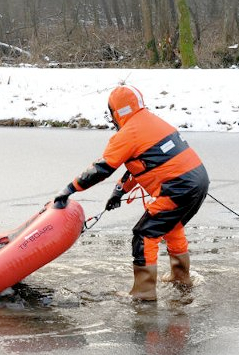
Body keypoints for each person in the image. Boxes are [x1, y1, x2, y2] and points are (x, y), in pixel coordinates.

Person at [53, 85, 209, 301]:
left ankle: (143, 293)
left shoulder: (128, 133)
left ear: (116, 113)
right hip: (198, 181)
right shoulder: (151, 121)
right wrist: (120, 191)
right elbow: (142, 164)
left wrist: (70, 189)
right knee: (171, 226)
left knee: (144, 233)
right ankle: (180, 277)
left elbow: (101, 168)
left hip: (179, 187)